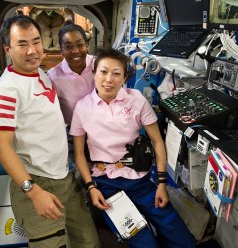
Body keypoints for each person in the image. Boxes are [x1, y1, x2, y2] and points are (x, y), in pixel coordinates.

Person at [0, 14, 100, 248]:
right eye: (22, 44)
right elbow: (1, 148)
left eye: (36, 41)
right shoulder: (6, 90)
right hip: (37, 182)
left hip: (64, 179)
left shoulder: (41, 74)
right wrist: (33, 191)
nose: (32, 50)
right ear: (8, 49)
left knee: (89, 242)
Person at [70, 48, 196, 248]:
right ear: (93, 74)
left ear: (124, 78)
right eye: (103, 72)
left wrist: (162, 183)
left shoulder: (136, 99)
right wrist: (91, 187)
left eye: (116, 73)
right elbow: (78, 153)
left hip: (141, 180)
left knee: (182, 240)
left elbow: (157, 142)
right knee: (145, 244)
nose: (109, 79)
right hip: (106, 184)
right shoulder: (82, 108)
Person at [47, 21, 95, 126]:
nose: (75, 50)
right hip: (74, 131)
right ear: (61, 50)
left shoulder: (99, 65)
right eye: (68, 47)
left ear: (86, 45)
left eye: (80, 44)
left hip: (103, 127)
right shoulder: (53, 77)